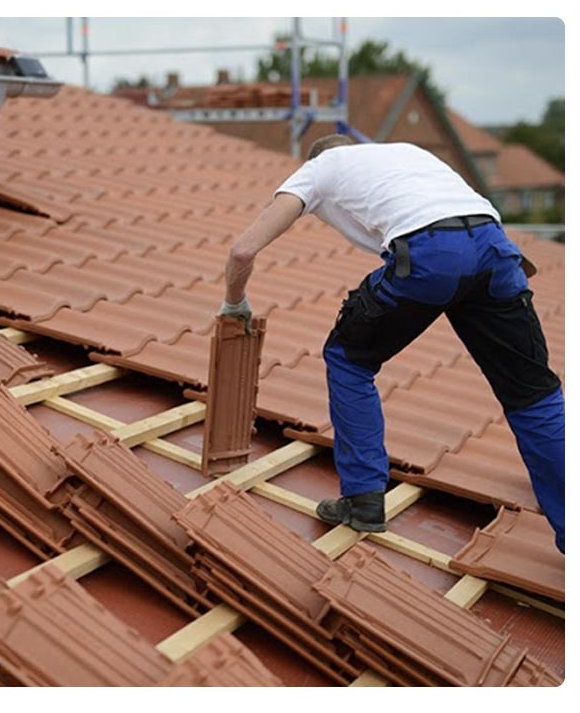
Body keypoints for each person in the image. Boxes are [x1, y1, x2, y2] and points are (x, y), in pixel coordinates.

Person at [220, 134, 565, 553]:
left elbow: (242, 252)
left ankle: (363, 498)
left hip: (432, 254)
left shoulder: (321, 167)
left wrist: (234, 302)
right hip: (496, 250)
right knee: (534, 395)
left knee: (348, 359)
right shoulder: (409, 154)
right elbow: (475, 225)